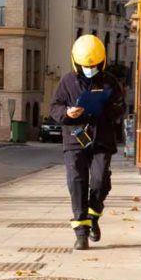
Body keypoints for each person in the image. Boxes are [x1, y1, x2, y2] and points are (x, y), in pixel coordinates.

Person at [50, 35, 125, 250]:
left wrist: (104, 108)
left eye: (93, 65)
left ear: (102, 62)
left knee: (100, 181)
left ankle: (93, 215)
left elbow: (120, 108)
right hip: (75, 139)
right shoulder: (67, 81)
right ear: (76, 63)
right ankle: (81, 232)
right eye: (85, 66)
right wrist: (68, 112)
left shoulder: (110, 82)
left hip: (102, 138)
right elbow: (55, 107)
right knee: (77, 183)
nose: (89, 69)